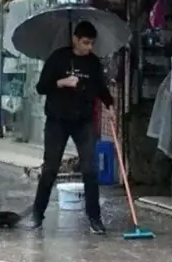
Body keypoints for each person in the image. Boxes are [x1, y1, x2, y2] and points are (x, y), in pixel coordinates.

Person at [31, 21, 114, 234]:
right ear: (75, 39)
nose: (89, 48)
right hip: (57, 121)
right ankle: (37, 214)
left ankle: (94, 218)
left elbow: (100, 87)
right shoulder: (58, 58)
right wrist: (62, 82)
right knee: (50, 168)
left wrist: (110, 104)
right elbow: (41, 87)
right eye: (85, 43)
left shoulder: (93, 63)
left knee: (90, 169)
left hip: (83, 121)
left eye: (92, 44)